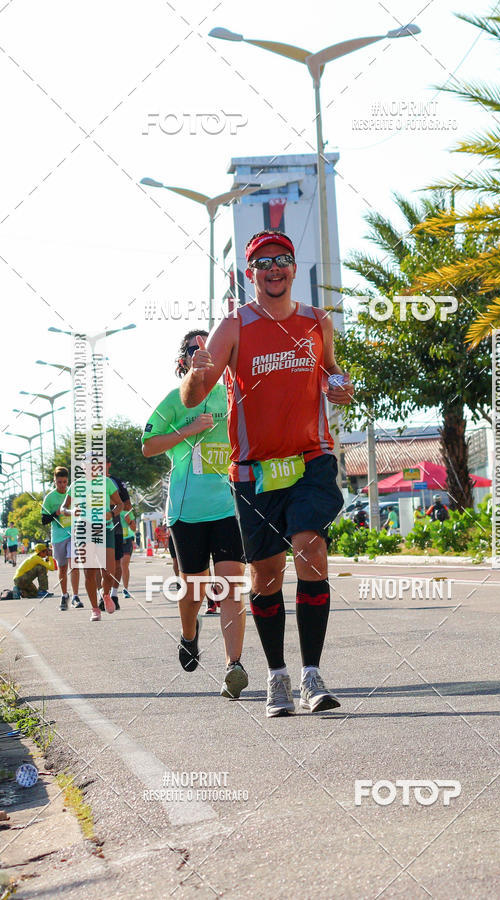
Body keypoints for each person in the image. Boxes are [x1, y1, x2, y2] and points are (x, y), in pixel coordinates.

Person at [181, 228, 355, 717]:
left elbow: (331, 372)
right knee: (266, 574)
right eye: (264, 263)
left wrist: (339, 385)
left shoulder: (317, 322)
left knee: (310, 547)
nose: (274, 269)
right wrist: (197, 373)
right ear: (250, 274)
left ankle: (312, 676)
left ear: (294, 268)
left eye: (283, 260)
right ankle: (277, 678)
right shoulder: (234, 326)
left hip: (311, 459)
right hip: (254, 470)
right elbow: (194, 395)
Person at [142, 329, 248, 700]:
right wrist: (188, 429)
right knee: (196, 587)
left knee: (232, 585)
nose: (202, 352)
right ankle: (189, 635)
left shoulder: (230, 394)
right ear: (183, 360)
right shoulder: (174, 400)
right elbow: (148, 445)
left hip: (226, 508)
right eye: (193, 349)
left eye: (209, 347)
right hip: (186, 512)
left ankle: (233, 665)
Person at [60, 468, 123, 621]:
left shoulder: (107, 482)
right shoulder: (76, 485)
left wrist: (112, 513)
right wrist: (71, 510)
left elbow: (120, 504)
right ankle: (95, 609)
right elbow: (63, 509)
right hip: (83, 530)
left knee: (109, 572)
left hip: (105, 529)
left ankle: (106, 594)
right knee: (89, 572)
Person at [41, 466, 83, 610]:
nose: (63, 485)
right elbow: (44, 519)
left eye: (65, 482)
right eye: (59, 482)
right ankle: (65, 595)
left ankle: (76, 596)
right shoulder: (50, 498)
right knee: (63, 567)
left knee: (74, 564)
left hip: (74, 534)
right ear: (54, 481)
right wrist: (56, 513)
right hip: (58, 537)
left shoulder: (73, 494)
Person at [100, 460, 132, 611]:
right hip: (92, 528)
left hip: (115, 526)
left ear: (109, 464)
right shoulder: (84, 484)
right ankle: (101, 594)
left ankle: (113, 595)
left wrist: (111, 506)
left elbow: (127, 505)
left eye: (102, 463)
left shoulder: (116, 482)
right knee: (97, 566)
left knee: (116, 564)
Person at [119, 507, 136, 598]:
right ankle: (109, 590)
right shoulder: (108, 510)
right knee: (114, 567)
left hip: (126, 540)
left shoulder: (128, 512)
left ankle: (125, 589)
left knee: (124, 564)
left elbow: (134, 529)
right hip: (113, 540)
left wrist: (129, 521)